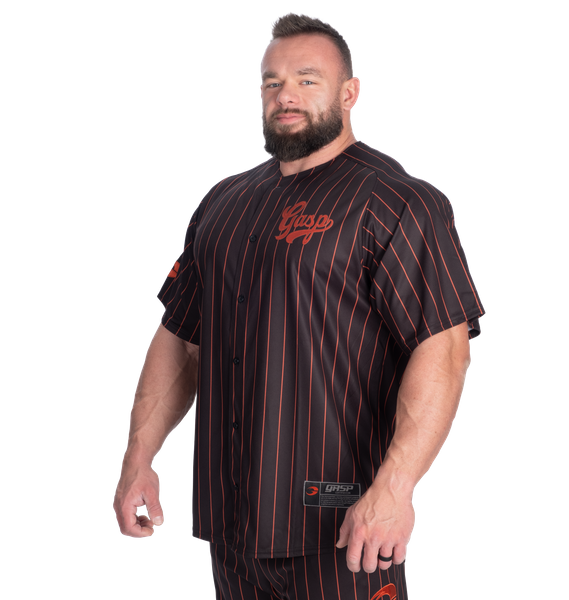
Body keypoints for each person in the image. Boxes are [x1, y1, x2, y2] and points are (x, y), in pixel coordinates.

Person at [112, 10, 486, 600]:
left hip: (344, 527)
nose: (285, 95)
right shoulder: (222, 202)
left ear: (350, 92)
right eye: (272, 82)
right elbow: (180, 339)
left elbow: (443, 346)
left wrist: (396, 487)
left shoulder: (398, 201)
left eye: (307, 80)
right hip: (231, 529)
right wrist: (138, 458)